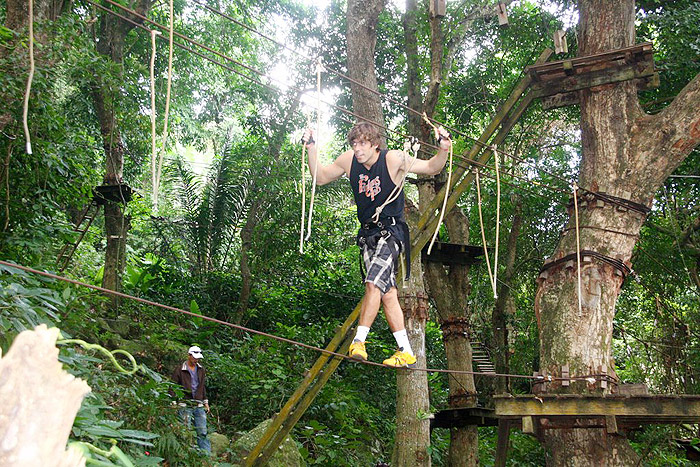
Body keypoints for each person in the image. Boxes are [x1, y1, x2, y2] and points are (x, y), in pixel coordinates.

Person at [303, 122, 451, 367]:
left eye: (362, 143)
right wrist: (311, 146)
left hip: (391, 232)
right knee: (388, 293)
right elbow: (320, 177)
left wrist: (443, 148)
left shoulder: (393, 159)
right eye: (354, 144)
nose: (357, 149)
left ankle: (359, 340)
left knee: (373, 283)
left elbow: (431, 167)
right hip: (368, 235)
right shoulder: (349, 161)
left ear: (374, 144)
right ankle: (405, 350)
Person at [171, 345, 211, 454]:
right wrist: (174, 402)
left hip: (198, 404)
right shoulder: (180, 370)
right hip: (185, 404)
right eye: (194, 357)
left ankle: (206, 456)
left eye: (198, 358)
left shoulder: (201, 370)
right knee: (185, 431)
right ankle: (186, 454)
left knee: (202, 431)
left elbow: (202, 386)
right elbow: (173, 386)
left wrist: (205, 402)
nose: (196, 360)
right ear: (189, 356)